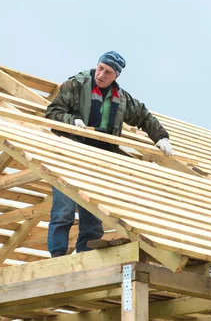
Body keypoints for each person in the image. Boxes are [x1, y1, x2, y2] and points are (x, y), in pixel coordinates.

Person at [45, 51, 173, 257]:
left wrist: (161, 137)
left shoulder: (120, 99)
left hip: (98, 161)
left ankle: (87, 256)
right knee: (64, 211)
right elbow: (52, 112)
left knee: (93, 214)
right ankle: (57, 256)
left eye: (108, 72)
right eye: (100, 68)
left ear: (116, 77)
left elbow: (143, 116)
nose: (101, 74)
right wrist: (71, 122)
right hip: (69, 154)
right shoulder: (76, 85)